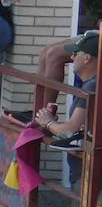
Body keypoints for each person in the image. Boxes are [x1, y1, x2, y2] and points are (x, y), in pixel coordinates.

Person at [33, 32, 97, 168]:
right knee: (48, 52)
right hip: (84, 173)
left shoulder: (93, 86)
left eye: (76, 53)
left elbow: (69, 130)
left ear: (87, 58)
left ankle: (40, 114)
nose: (72, 57)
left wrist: (47, 122)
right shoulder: (91, 84)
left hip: (86, 176)